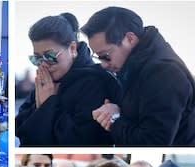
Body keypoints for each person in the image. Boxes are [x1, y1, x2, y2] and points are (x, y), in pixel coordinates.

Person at [83, 7, 195, 146]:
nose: (104, 64)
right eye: (98, 57)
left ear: (130, 38)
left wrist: (114, 120)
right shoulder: (135, 67)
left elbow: (152, 143)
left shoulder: (164, 73)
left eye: (105, 56)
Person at [16, 13, 121, 146]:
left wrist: (47, 105)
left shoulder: (97, 81)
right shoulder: (46, 81)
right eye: (37, 58)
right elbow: (19, 127)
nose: (43, 64)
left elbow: (80, 140)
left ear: (72, 48)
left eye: (50, 56)